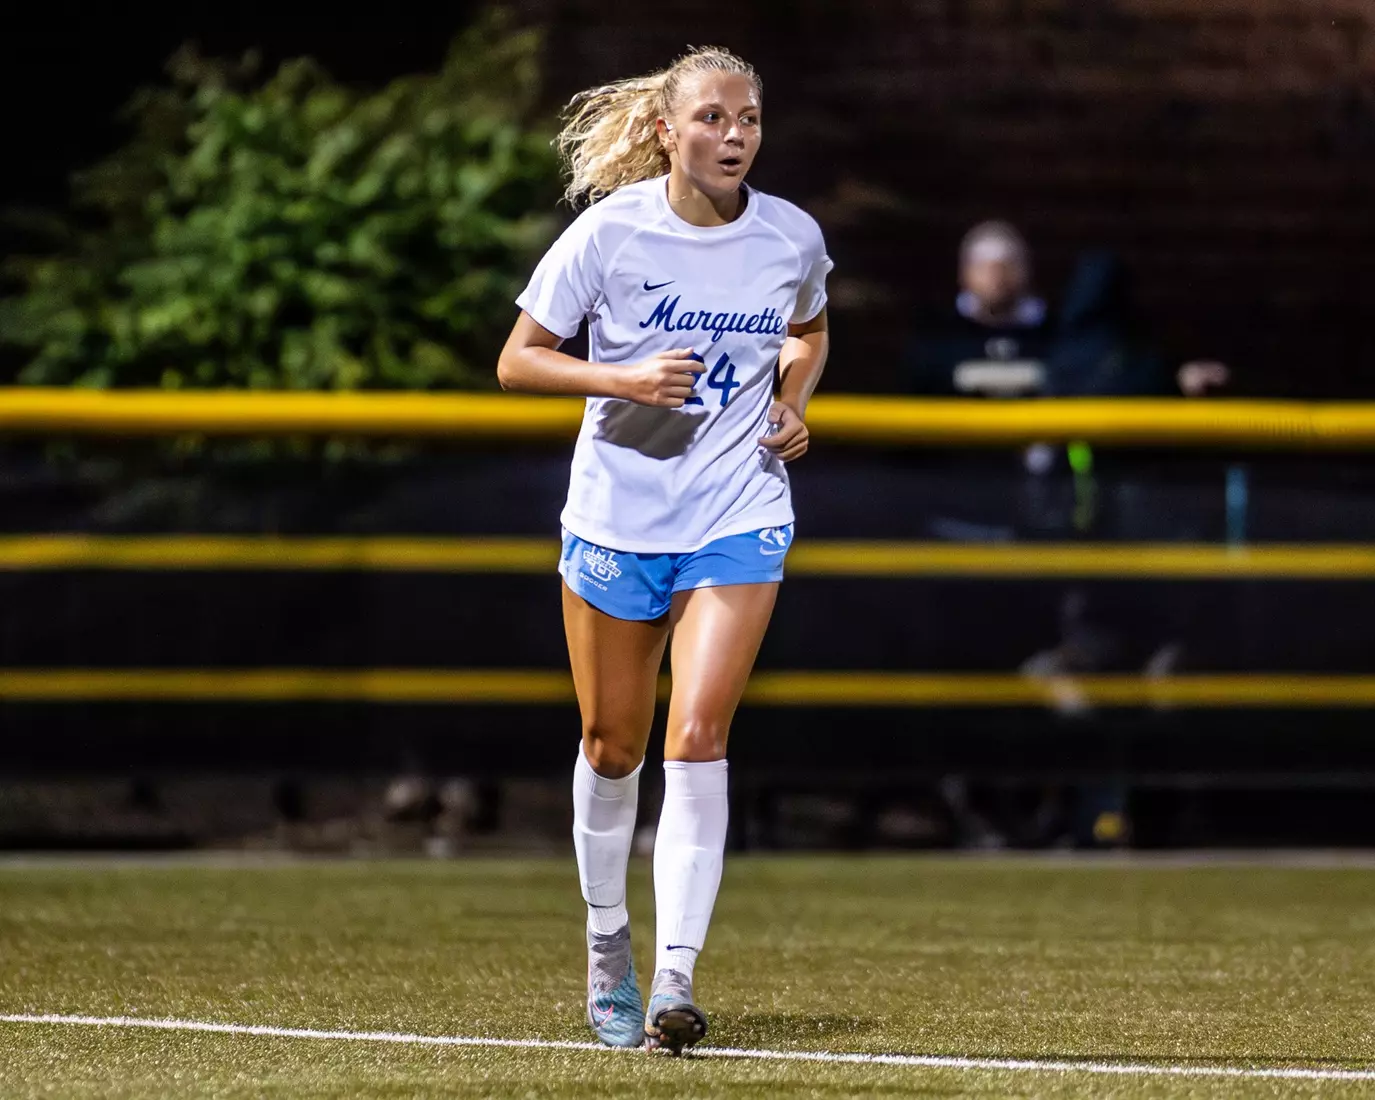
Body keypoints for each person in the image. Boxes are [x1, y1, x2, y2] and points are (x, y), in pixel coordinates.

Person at [496, 47, 832, 1054]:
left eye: (749, 120)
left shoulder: (789, 235)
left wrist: (790, 400)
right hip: (616, 518)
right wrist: (625, 380)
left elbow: (808, 328)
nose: (734, 136)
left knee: (698, 732)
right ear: (665, 131)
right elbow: (519, 359)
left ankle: (676, 976)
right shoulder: (609, 233)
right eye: (713, 119)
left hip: (736, 510)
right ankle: (610, 946)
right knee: (614, 743)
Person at [904, 220, 1050, 396]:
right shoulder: (937, 338)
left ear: (1026, 271)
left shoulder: (1057, 336)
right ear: (964, 272)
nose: (996, 277)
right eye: (983, 266)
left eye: (1007, 265)